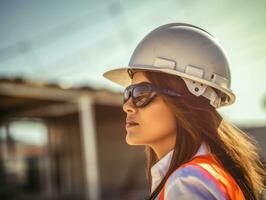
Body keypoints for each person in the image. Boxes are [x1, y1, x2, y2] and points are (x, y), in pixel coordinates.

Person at [102, 23, 266, 200]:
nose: (127, 105)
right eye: (127, 93)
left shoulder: (186, 183)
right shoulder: (210, 173)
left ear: (185, 100)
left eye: (141, 93)